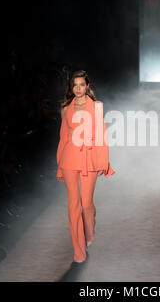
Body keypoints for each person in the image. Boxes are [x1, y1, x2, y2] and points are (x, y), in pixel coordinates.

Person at [56, 70, 115, 264]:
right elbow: (63, 138)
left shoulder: (97, 106)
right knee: (73, 205)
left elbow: (101, 135)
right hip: (69, 158)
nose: (78, 89)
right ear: (71, 87)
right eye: (75, 85)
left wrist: (102, 161)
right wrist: (59, 166)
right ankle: (78, 252)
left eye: (82, 85)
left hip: (89, 157)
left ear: (87, 86)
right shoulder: (66, 108)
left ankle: (89, 231)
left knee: (87, 203)